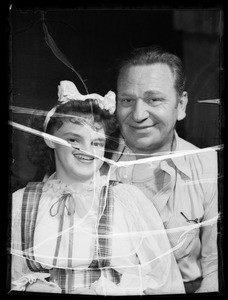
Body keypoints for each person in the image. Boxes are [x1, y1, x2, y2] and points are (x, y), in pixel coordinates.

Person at [10, 80, 185, 295]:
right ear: (50, 140)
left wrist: (102, 291)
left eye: (97, 143)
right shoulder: (22, 203)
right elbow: (14, 275)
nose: (87, 150)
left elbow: (163, 280)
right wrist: (31, 285)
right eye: (74, 139)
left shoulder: (127, 201)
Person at [110, 46, 219, 293]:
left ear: (180, 106)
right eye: (127, 100)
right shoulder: (94, 165)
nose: (138, 115)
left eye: (154, 99)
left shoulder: (209, 167)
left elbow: (215, 269)